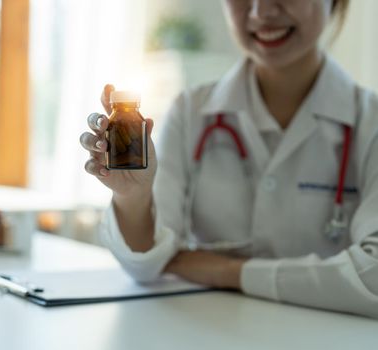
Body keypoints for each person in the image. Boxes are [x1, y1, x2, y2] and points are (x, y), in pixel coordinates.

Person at [80, 0, 378, 318]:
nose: (260, 12)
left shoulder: (370, 123)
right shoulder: (190, 113)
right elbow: (147, 265)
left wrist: (227, 272)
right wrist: (132, 195)